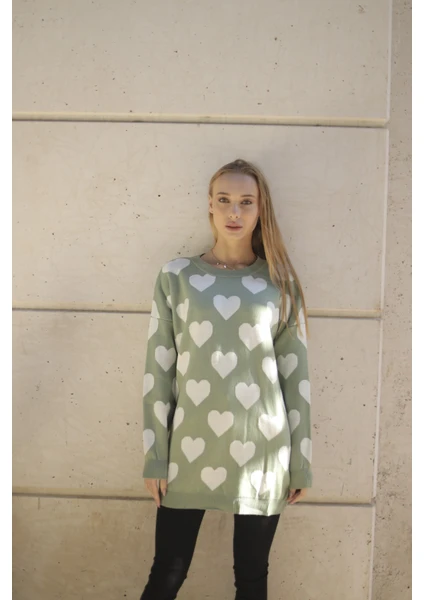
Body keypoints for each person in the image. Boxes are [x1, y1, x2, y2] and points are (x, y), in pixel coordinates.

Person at [139, 158, 313, 600]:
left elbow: (296, 379)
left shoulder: (281, 282)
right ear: (210, 206)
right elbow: (158, 370)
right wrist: (155, 457)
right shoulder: (176, 277)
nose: (234, 212)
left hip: (264, 450)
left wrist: (301, 462)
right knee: (167, 572)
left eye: (246, 202)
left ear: (260, 209)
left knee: (252, 577)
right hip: (187, 450)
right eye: (225, 200)